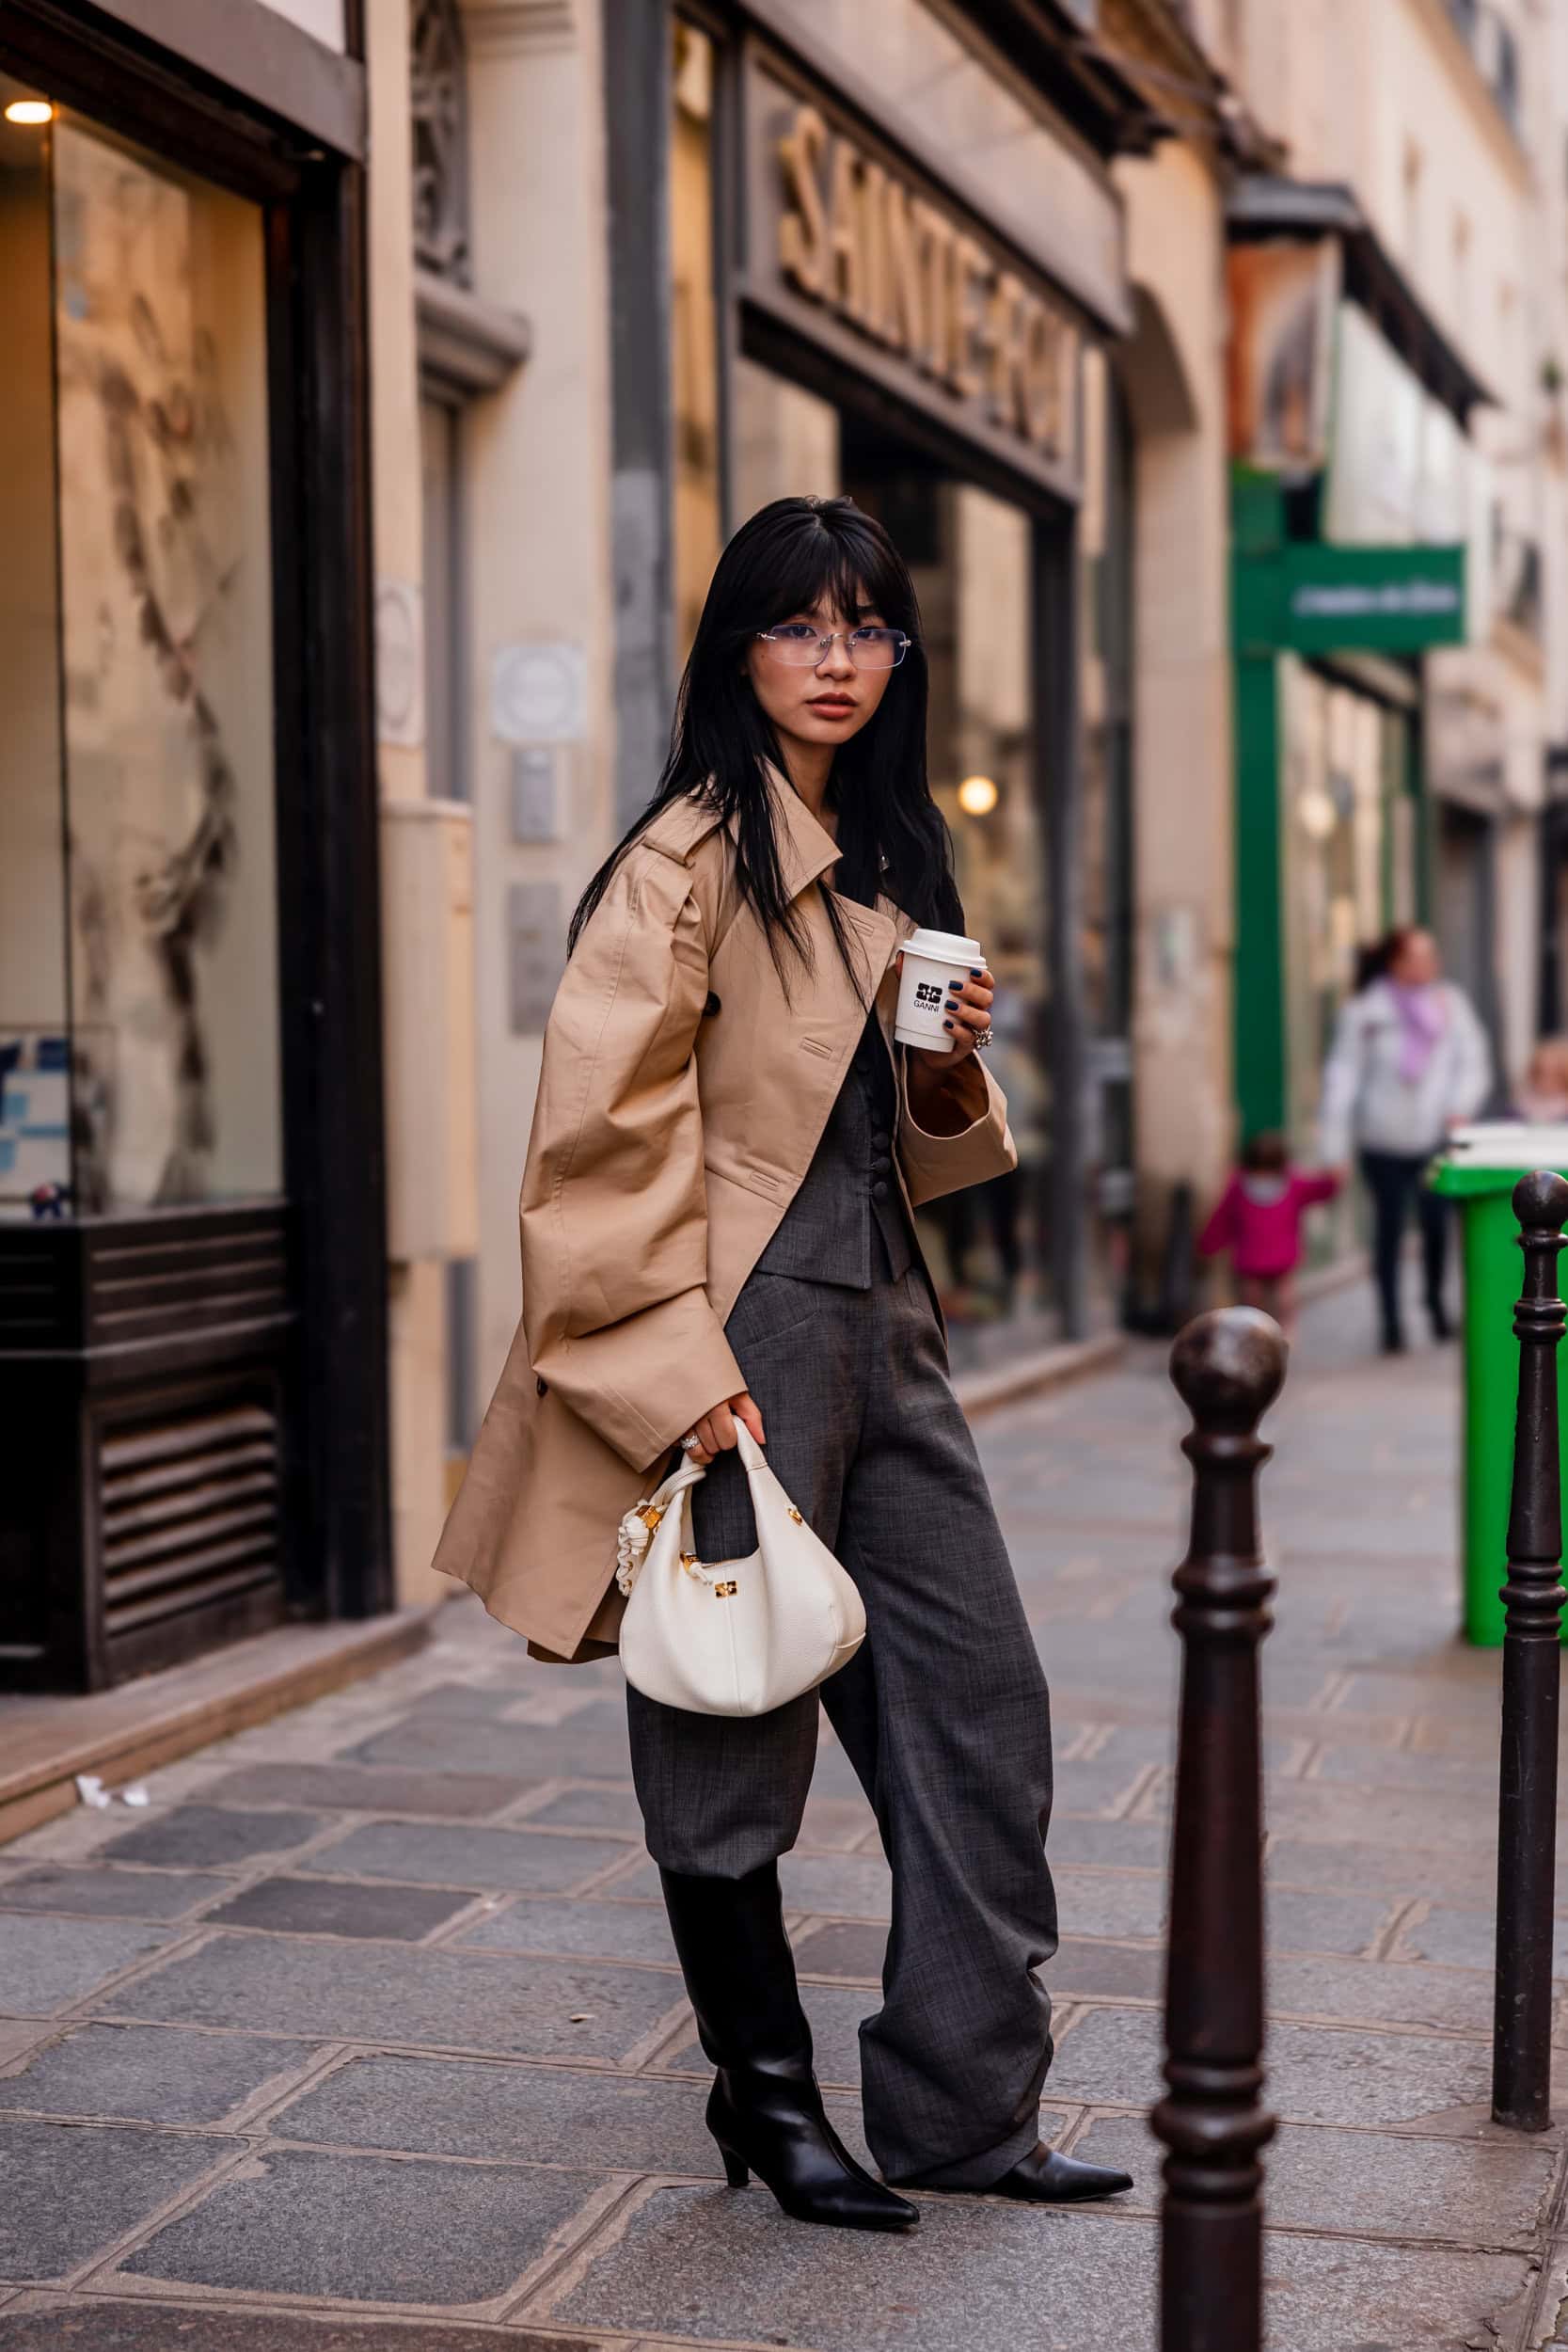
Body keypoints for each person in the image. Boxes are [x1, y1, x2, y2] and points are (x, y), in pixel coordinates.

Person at [434, 495, 1131, 2232]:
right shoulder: (683, 863)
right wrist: (680, 1382)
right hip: (728, 1327)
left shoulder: (885, 855)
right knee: (727, 1711)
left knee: (978, 1704)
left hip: (882, 1317)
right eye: (801, 627)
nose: (838, 662)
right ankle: (766, 2100)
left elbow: (909, 1141)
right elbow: (594, 1157)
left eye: (870, 630)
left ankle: (965, 2111)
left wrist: (956, 1066)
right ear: (736, 646)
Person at [1318, 925, 1491, 1353]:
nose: (1428, 964)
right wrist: (1334, 1146)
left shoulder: (1450, 1005)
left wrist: (1460, 1107)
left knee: (1436, 1225)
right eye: (1417, 956)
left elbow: (1473, 1062)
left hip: (1435, 1134)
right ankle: (1390, 1321)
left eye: (1431, 955)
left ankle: (1434, 1303)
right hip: (1381, 1137)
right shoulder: (1366, 1011)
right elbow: (1343, 1076)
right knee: (1389, 1228)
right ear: (1396, 963)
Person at [1196, 1130, 1339, 1338]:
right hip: (1262, 1257)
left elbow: (1318, 1189)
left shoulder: (1284, 1184)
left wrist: (1333, 1181)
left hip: (1266, 1256)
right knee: (1257, 1298)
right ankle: (1260, 1332)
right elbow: (1223, 1218)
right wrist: (1208, 1244)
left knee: (1279, 1297)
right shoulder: (1245, 1186)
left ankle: (1281, 1331)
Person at [1515, 1036, 1568, 1124]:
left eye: (1555, 1076)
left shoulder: (1565, 1111)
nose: (1546, 1081)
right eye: (1540, 1073)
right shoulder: (1520, 1108)